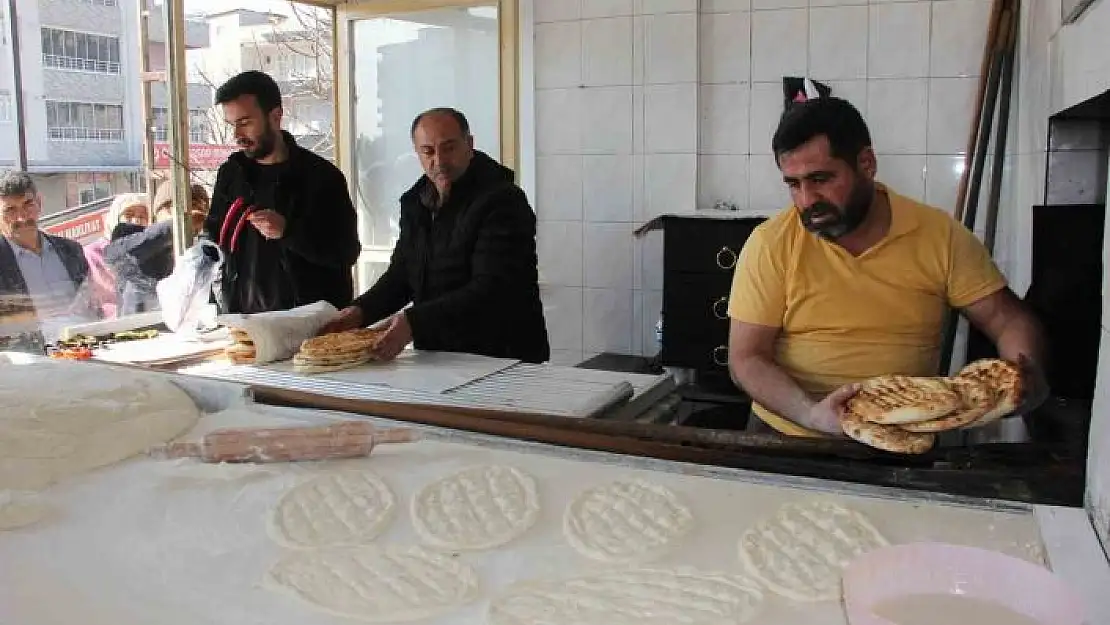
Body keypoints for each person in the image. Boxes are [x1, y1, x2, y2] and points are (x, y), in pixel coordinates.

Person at [727, 97, 1045, 437]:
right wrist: (812, 415)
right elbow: (747, 358)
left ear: (866, 163)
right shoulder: (771, 244)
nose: (806, 200)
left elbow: (1007, 319)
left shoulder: (939, 236)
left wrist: (1022, 373)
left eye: (820, 179)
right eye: (794, 184)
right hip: (790, 434)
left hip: (905, 433)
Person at [320, 107, 549, 364]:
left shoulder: (503, 201)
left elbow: (492, 288)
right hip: (438, 356)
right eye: (428, 151)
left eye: (449, 148)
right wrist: (359, 312)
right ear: (416, 152)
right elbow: (403, 275)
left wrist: (413, 322)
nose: (439, 161)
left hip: (503, 356)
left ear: (469, 144)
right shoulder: (415, 203)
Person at [203, 70, 359, 314]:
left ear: (275, 116)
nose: (237, 136)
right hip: (245, 325)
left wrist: (289, 231)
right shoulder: (231, 174)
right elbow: (216, 239)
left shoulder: (321, 176)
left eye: (245, 123)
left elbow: (346, 252)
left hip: (311, 328)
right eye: (231, 125)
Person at [0, 170, 97, 345]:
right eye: (10, 210)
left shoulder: (71, 251)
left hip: (84, 352)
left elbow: (92, 304)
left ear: (39, 203)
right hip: (30, 363)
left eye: (28, 204)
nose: (22, 217)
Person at [105, 183, 210, 316]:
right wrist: (176, 226)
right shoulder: (130, 234)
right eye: (176, 208)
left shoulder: (204, 246)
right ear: (159, 212)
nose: (194, 215)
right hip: (141, 328)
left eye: (200, 209)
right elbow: (116, 254)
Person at [83, 192, 150, 319]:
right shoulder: (92, 254)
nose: (135, 221)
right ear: (115, 218)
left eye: (142, 217)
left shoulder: (151, 250)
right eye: (128, 215)